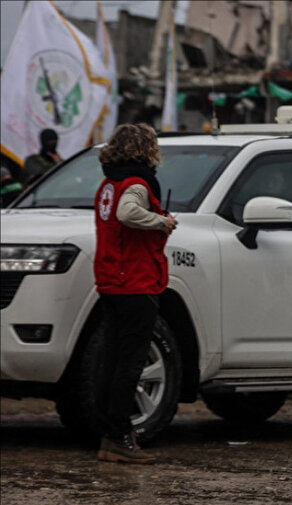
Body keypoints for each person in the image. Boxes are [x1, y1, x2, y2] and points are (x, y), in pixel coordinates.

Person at [93, 124, 177, 464]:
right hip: (136, 280)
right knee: (130, 363)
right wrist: (162, 222)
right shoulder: (137, 183)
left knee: (109, 360)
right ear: (146, 149)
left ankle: (107, 434)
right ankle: (119, 437)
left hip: (111, 279)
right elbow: (127, 214)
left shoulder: (108, 183)